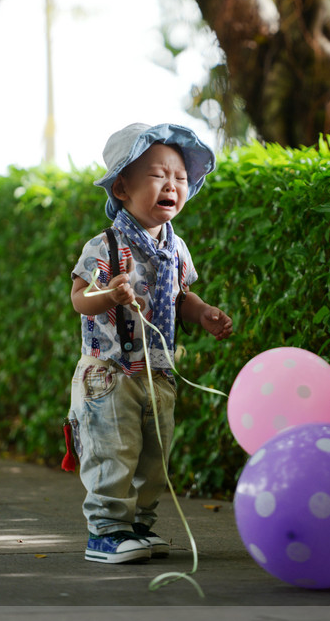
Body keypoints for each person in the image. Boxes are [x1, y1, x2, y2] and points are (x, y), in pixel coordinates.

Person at [67, 123, 233, 564]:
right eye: (160, 175)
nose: (172, 185)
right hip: (111, 374)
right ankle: (105, 531)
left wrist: (203, 313)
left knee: (155, 455)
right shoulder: (106, 244)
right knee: (113, 451)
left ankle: (139, 525)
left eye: (180, 178)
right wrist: (111, 294)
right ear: (122, 187)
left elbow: (181, 296)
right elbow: (79, 298)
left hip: (159, 373)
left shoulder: (177, 249)